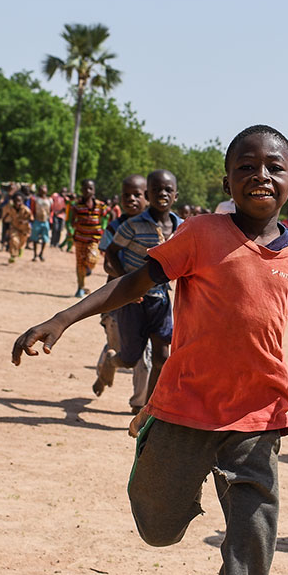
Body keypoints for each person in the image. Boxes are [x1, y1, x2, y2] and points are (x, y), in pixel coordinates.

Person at [13, 124, 288, 575]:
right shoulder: (201, 234)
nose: (261, 177)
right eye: (246, 167)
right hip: (183, 410)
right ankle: (149, 447)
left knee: (252, 541)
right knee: (158, 528)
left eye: (274, 168)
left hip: (258, 416)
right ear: (228, 179)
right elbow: (135, 281)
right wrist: (63, 320)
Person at [99, 170, 180, 407]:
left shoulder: (183, 227)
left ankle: (148, 408)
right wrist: (127, 283)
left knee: (161, 357)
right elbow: (112, 252)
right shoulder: (132, 225)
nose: (162, 194)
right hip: (133, 301)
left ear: (176, 195)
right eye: (156, 190)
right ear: (148, 194)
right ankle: (112, 361)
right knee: (131, 358)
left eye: (168, 190)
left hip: (161, 300)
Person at [94, 174, 153, 408]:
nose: (131, 199)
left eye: (137, 194)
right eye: (126, 195)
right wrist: (128, 283)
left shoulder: (155, 227)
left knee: (144, 357)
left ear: (147, 197)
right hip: (117, 300)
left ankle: (138, 404)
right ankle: (105, 371)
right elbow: (107, 261)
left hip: (149, 301)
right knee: (118, 347)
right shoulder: (115, 226)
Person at [69, 179, 108, 297]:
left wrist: (104, 228)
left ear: (94, 190)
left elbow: (107, 217)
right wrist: (72, 230)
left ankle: (88, 269)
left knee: (92, 259)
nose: (87, 191)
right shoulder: (77, 205)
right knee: (79, 263)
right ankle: (80, 287)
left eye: (90, 188)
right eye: (85, 188)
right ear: (81, 190)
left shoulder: (100, 205)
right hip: (80, 238)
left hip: (94, 239)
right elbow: (71, 221)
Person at [2, 192, 31, 262]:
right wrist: (4, 220)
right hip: (14, 227)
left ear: (22, 201)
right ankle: (13, 256)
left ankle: (20, 248)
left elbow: (31, 218)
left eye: (19, 201)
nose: (17, 203)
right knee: (14, 240)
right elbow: (6, 214)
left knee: (21, 242)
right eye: (16, 201)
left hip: (24, 229)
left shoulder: (26, 209)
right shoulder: (11, 208)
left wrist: (24, 221)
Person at [28, 185, 51, 262]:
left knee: (45, 238)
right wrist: (31, 217)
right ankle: (35, 254)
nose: (43, 192)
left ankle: (41, 253)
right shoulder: (35, 199)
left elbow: (50, 210)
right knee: (35, 238)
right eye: (41, 190)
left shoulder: (49, 200)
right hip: (37, 220)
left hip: (45, 221)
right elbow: (32, 209)